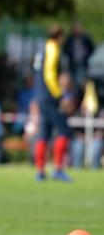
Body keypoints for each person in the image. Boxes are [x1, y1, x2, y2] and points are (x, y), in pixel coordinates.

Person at [33, 25, 73, 181]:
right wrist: (60, 95)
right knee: (64, 131)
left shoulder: (42, 49)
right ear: (60, 36)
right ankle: (58, 169)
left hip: (40, 96)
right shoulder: (53, 49)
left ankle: (40, 171)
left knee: (44, 133)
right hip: (50, 98)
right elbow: (50, 75)